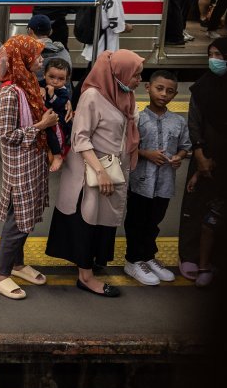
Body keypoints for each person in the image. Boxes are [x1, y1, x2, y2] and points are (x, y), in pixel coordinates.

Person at [46, 49, 144, 298]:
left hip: (110, 171)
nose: (138, 80)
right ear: (118, 73)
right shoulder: (92, 96)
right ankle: (86, 277)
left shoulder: (123, 95)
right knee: (85, 219)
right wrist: (100, 172)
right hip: (89, 173)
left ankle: (89, 264)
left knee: (99, 219)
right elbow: (80, 139)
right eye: (136, 75)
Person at [0, 35, 59, 300]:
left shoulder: (27, 85)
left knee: (23, 214)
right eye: (36, 55)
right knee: (19, 220)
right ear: (23, 59)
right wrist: (41, 127)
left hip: (32, 161)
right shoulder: (9, 92)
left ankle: (16, 264)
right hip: (20, 164)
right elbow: (6, 135)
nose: (41, 60)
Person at [178, 38, 227, 283]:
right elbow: (194, 122)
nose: (214, 59)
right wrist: (200, 155)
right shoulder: (202, 87)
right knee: (196, 207)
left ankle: (221, 260)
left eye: (219, 54)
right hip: (202, 156)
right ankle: (191, 256)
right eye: (211, 53)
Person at [123, 70, 189, 286]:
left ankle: (148, 256)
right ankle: (133, 260)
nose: (164, 94)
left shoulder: (178, 122)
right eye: (159, 88)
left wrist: (178, 157)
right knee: (136, 221)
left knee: (154, 222)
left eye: (169, 91)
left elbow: (184, 147)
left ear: (175, 94)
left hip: (164, 184)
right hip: (140, 182)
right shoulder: (138, 119)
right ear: (148, 88)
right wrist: (146, 153)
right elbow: (127, 147)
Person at [79, 0, 127, 68]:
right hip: (105, 49)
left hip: (94, 45)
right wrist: (127, 27)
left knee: (90, 77)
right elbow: (117, 26)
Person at [41, 57, 73, 172]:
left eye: (60, 79)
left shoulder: (63, 91)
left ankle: (57, 154)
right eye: (52, 77)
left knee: (51, 133)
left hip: (58, 120)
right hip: (46, 117)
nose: (55, 81)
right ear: (44, 75)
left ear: (66, 80)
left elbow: (60, 104)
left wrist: (52, 95)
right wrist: (41, 88)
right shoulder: (42, 84)